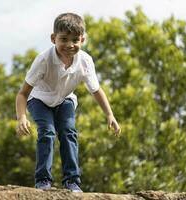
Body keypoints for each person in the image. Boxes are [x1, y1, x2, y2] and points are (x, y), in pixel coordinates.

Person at [15, 12, 121, 192]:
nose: (69, 45)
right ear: (53, 38)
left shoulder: (85, 61)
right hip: (39, 99)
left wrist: (110, 115)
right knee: (47, 132)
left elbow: (96, 90)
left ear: (83, 40)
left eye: (75, 40)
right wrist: (21, 117)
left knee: (68, 131)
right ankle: (43, 181)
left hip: (65, 99)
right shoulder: (43, 60)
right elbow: (23, 93)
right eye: (63, 39)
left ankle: (72, 181)